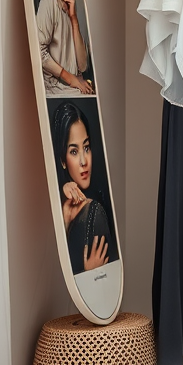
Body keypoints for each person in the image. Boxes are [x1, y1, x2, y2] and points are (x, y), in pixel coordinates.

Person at [52, 101, 114, 274]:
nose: (84, 161)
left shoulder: (95, 212)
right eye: (74, 151)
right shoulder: (62, 208)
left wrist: (90, 273)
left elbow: (102, 283)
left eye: (86, 148)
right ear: (62, 160)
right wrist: (64, 219)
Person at [36, 0, 93, 96]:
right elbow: (39, 53)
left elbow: (82, 65)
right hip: (57, 86)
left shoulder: (71, 1)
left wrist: (73, 18)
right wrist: (70, 79)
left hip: (75, 84)